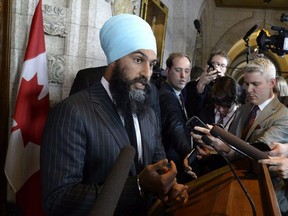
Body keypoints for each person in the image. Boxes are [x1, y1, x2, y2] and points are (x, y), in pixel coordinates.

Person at [40, 14, 188, 216]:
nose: (147, 72)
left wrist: (170, 187)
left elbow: (159, 165)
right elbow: (58, 199)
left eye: (152, 64)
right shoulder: (72, 112)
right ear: (113, 61)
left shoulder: (149, 114)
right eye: (138, 60)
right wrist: (138, 186)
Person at [193, 57, 288, 214]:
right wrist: (212, 150)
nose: (248, 89)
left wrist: (224, 145)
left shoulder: (283, 115)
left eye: (255, 84)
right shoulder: (243, 110)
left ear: (271, 83)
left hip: (267, 196)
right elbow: (232, 145)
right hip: (233, 184)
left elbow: (259, 150)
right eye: (246, 83)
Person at [159, 52, 196, 183]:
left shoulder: (178, 92)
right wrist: (187, 152)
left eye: (187, 71)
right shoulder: (166, 95)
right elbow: (175, 125)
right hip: (171, 163)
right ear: (167, 71)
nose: (183, 76)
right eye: (178, 70)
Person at [184, 49, 230, 118]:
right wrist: (201, 84)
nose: (217, 68)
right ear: (208, 66)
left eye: (222, 66)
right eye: (214, 64)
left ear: (226, 69)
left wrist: (223, 82)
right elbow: (191, 108)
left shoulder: (229, 86)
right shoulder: (193, 85)